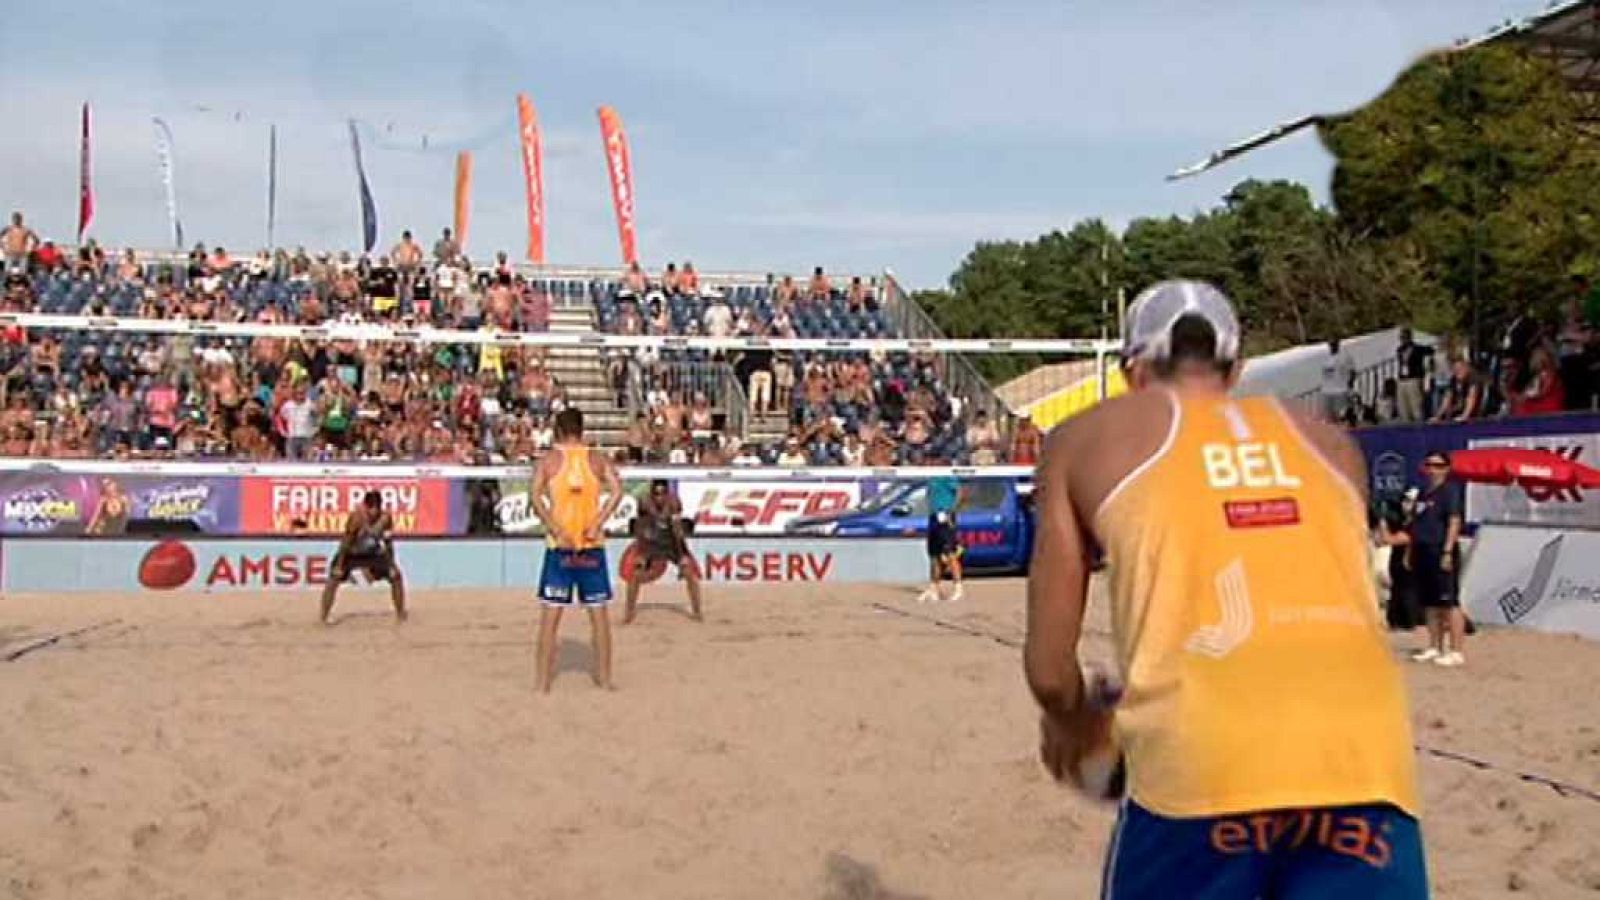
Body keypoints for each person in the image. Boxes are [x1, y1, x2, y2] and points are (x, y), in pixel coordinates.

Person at [1024, 280, 1424, 899]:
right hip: (1364, 758)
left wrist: (1075, 721)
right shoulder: (1332, 445)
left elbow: (1049, 673)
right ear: (1234, 369)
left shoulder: (1084, 438)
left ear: (1133, 370)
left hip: (1202, 756)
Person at [531, 407, 625, 692]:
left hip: (561, 547)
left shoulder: (550, 460)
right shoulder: (595, 458)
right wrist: (598, 522)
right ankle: (605, 679)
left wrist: (554, 527)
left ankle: (542, 684)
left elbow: (534, 496)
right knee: (599, 617)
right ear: (582, 430)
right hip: (590, 545)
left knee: (550, 619)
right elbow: (618, 490)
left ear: (558, 430)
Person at [1407, 451, 1466, 667]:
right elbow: (1416, 524)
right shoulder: (1423, 492)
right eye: (1430, 465)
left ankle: (1457, 650)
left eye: (1438, 465)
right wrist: (1409, 552)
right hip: (1423, 549)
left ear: (1447, 468)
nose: (1433, 469)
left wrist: (1447, 551)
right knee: (1430, 603)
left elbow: (1454, 521)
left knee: (1449, 601)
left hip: (1440, 549)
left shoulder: (1449, 491)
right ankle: (1434, 646)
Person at [320, 490, 407, 625]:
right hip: (351, 553)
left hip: (373, 552)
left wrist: (392, 564)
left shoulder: (385, 519)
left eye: (377, 508)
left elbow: (388, 542)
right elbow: (346, 542)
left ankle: (400, 614)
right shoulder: (356, 518)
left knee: (396, 577)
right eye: (371, 508)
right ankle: (324, 616)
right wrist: (339, 565)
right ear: (366, 506)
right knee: (334, 579)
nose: (374, 512)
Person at [623, 480, 704, 624]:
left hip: (671, 541)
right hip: (651, 540)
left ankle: (697, 612)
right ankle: (629, 613)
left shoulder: (674, 503)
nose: (659, 497)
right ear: (652, 494)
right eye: (656, 494)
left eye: (662, 493)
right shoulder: (645, 503)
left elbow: (678, 533)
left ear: (667, 493)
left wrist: (682, 555)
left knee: (689, 574)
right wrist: (640, 553)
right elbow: (641, 529)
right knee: (636, 574)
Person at [919, 475, 964, 603]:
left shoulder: (948, 475)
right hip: (934, 516)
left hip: (946, 515)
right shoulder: (931, 476)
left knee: (950, 552)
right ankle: (934, 588)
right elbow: (929, 494)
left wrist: (951, 511)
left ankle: (958, 587)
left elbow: (959, 493)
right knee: (934, 553)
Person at [1394, 328, 1433, 422]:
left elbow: (1431, 352)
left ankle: (1419, 424)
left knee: (1416, 406)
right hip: (1403, 379)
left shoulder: (1418, 349)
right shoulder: (1400, 350)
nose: (1403, 339)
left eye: (1405, 337)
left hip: (1414, 378)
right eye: (1401, 337)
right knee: (1403, 406)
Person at [1319, 338, 1355, 422]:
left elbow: (1352, 371)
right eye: (1331, 344)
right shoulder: (1326, 357)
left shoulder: (1345, 357)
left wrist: (1350, 385)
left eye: (1334, 343)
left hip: (1340, 390)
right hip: (1327, 391)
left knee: (1341, 416)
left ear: (1338, 344)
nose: (1332, 345)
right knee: (1329, 417)